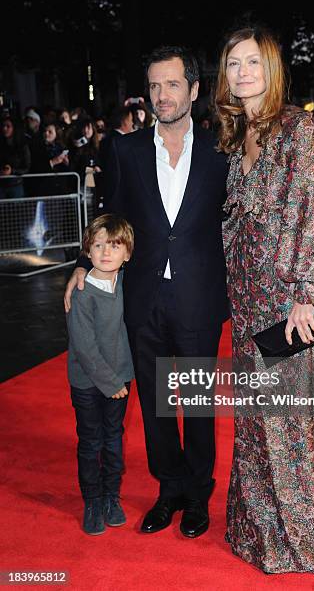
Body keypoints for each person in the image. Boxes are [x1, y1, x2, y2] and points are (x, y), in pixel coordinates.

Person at [215, 26, 314, 575]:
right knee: (260, 418)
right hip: (248, 297)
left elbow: (313, 206)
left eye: (252, 62)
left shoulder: (296, 127)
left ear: (273, 69)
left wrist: (309, 294)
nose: (242, 72)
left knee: (295, 418)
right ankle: (263, 529)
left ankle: (303, 535)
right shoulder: (239, 134)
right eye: (233, 63)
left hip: (288, 300)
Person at [64, 46, 229, 538]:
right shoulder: (125, 149)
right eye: (154, 86)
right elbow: (108, 213)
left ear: (194, 91)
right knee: (157, 402)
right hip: (143, 300)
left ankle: (198, 494)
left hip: (199, 296)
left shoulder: (222, 151)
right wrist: (80, 264)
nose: (162, 95)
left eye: (172, 84)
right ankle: (169, 489)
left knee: (198, 403)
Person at [67, 214, 134, 535]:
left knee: (114, 439)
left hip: (121, 378)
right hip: (89, 383)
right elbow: (84, 346)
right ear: (87, 251)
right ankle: (92, 500)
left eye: (115, 246)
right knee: (91, 442)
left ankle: (111, 496)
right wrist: (110, 384)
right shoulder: (81, 291)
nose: (106, 252)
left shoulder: (125, 283)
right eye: (98, 245)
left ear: (127, 254)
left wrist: (119, 380)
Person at [0, 115, 31, 198]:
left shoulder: (22, 145)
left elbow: (27, 167)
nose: (5, 129)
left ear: (14, 128)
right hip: (2, 185)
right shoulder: (2, 144)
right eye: (3, 126)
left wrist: (12, 171)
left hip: (16, 185)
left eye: (8, 126)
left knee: (17, 209)